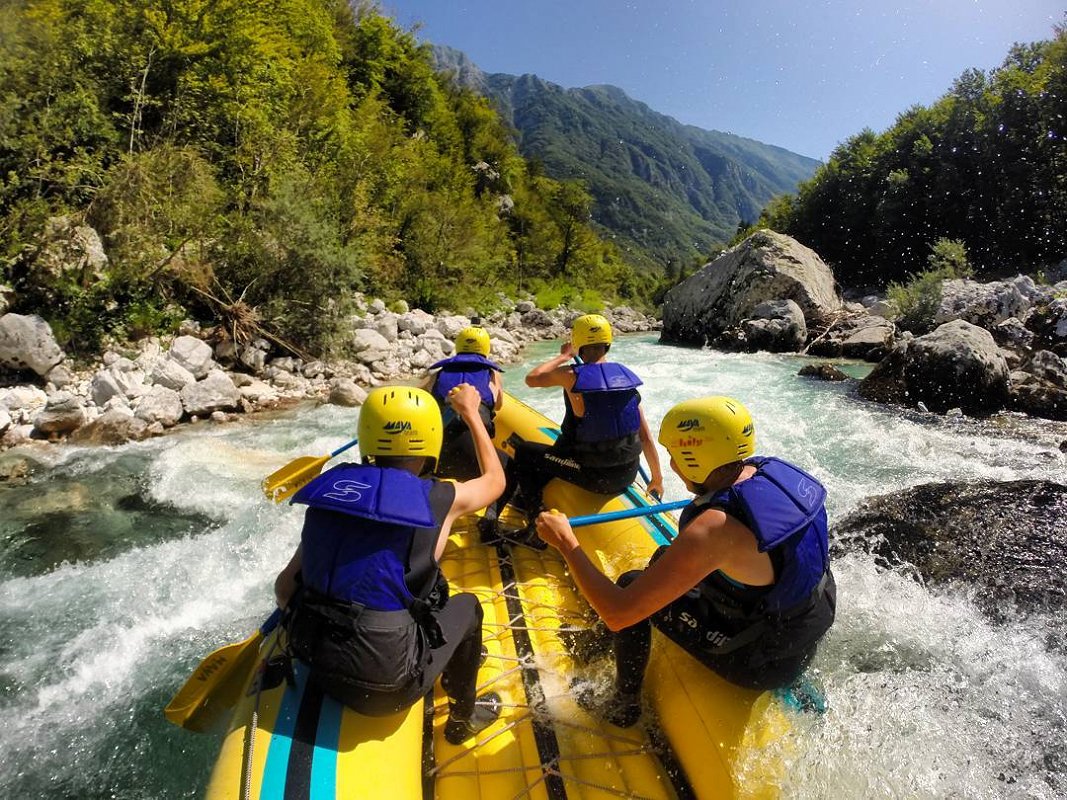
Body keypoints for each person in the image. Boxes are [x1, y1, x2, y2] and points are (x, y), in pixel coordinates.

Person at [535, 396, 836, 727]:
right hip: (799, 629)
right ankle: (604, 644)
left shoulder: (714, 530)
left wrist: (566, 542)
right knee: (664, 557)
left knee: (630, 586)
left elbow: (618, 613)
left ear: (695, 459)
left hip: (758, 659)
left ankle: (624, 705)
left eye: (675, 456)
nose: (673, 466)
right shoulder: (770, 471)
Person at [273, 384, 505, 744]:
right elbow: (495, 481)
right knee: (468, 607)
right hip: (385, 686)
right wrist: (472, 413)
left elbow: (285, 588)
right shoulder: (441, 497)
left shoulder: (329, 493)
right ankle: (464, 718)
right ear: (431, 439)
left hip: (314, 661)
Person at [490, 313, 663, 546]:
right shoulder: (625, 380)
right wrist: (657, 478)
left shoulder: (571, 375)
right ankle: (530, 497)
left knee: (523, 452)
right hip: (627, 474)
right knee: (554, 452)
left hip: (594, 476)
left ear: (577, 343)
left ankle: (534, 527)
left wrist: (563, 356)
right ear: (608, 343)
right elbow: (645, 437)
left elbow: (532, 378)